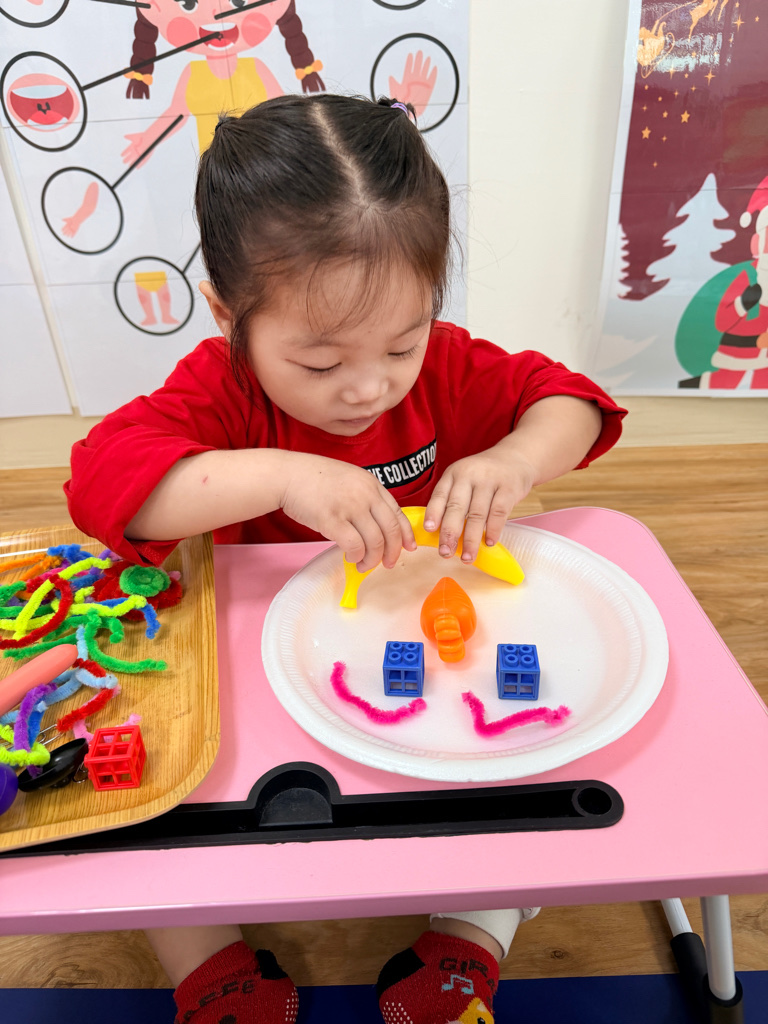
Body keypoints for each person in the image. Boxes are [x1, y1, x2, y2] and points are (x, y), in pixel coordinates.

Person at [66, 93, 627, 1024]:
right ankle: (212, 965)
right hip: (256, 677)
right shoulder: (223, 390)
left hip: (417, 667)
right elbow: (102, 480)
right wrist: (279, 473)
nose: (369, 388)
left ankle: (472, 937)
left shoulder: (446, 368)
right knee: (151, 789)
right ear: (228, 315)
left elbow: (570, 401)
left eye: (401, 343)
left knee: (530, 770)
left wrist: (515, 459)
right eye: (321, 364)